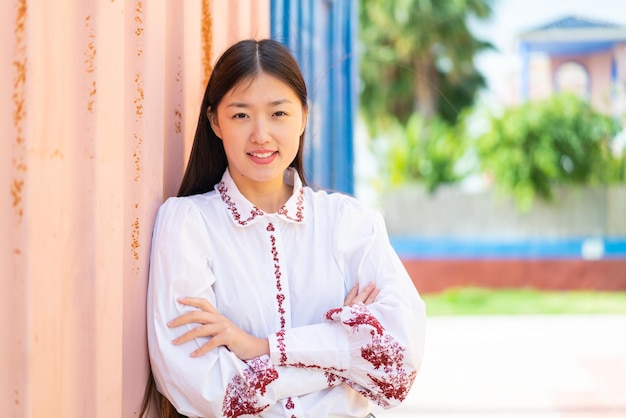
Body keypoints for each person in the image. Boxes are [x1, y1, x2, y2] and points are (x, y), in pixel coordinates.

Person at [142, 38, 426, 418]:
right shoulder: (188, 224)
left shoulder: (349, 223)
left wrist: (260, 347)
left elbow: (397, 363)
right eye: (241, 115)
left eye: (278, 114)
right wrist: (341, 356)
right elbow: (207, 389)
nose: (261, 134)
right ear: (215, 121)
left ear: (304, 116)